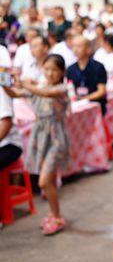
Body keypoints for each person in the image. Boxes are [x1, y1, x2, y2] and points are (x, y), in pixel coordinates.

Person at [4, 54, 70, 236]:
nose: (50, 73)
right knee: (48, 182)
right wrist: (4, 83)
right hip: (40, 138)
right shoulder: (38, 86)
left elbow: (46, 93)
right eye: (47, 69)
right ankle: (55, 214)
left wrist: (24, 83)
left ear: (62, 72)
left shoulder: (62, 88)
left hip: (56, 139)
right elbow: (15, 94)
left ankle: (57, 217)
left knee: (44, 181)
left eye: (54, 70)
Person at [66, 36, 108, 114]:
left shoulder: (98, 67)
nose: (75, 49)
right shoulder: (70, 69)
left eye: (79, 46)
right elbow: (69, 87)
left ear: (88, 49)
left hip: (95, 105)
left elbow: (102, 91)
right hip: (77, 105)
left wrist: (84, 98)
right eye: (73, 46)